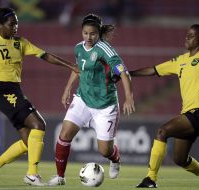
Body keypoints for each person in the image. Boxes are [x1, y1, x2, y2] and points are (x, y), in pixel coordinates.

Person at [0, 7, 78, 186]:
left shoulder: (20, 42)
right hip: (3, 91)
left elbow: (44, 55)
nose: (15, 27)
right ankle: (32, 174)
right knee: (39, 124)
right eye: (11, 24)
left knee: (29, 142)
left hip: (15, 91)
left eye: (17, 23)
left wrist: (70, 65)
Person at [129, 24, 199, 188]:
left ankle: (150, 178)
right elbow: (154, 70)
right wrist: (128, 74)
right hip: (189, 113)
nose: (187, 38)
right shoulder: (180, 60)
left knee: (162, 131)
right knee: (179, 159)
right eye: (187, 34)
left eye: (192, 35)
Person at [47, 13, 135, 186]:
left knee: (104, 150)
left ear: (98, 33)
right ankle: (60, 177)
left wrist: (128, 98)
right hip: (83, 99)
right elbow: (78, 68)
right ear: (82, 32)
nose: (88, 37)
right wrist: (67, 89)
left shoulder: (105, 49)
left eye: (93, 34)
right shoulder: (78, 48)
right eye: (85, 33)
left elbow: (123, 72)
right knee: (64, 135)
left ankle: (115, 158)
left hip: (105, 105)